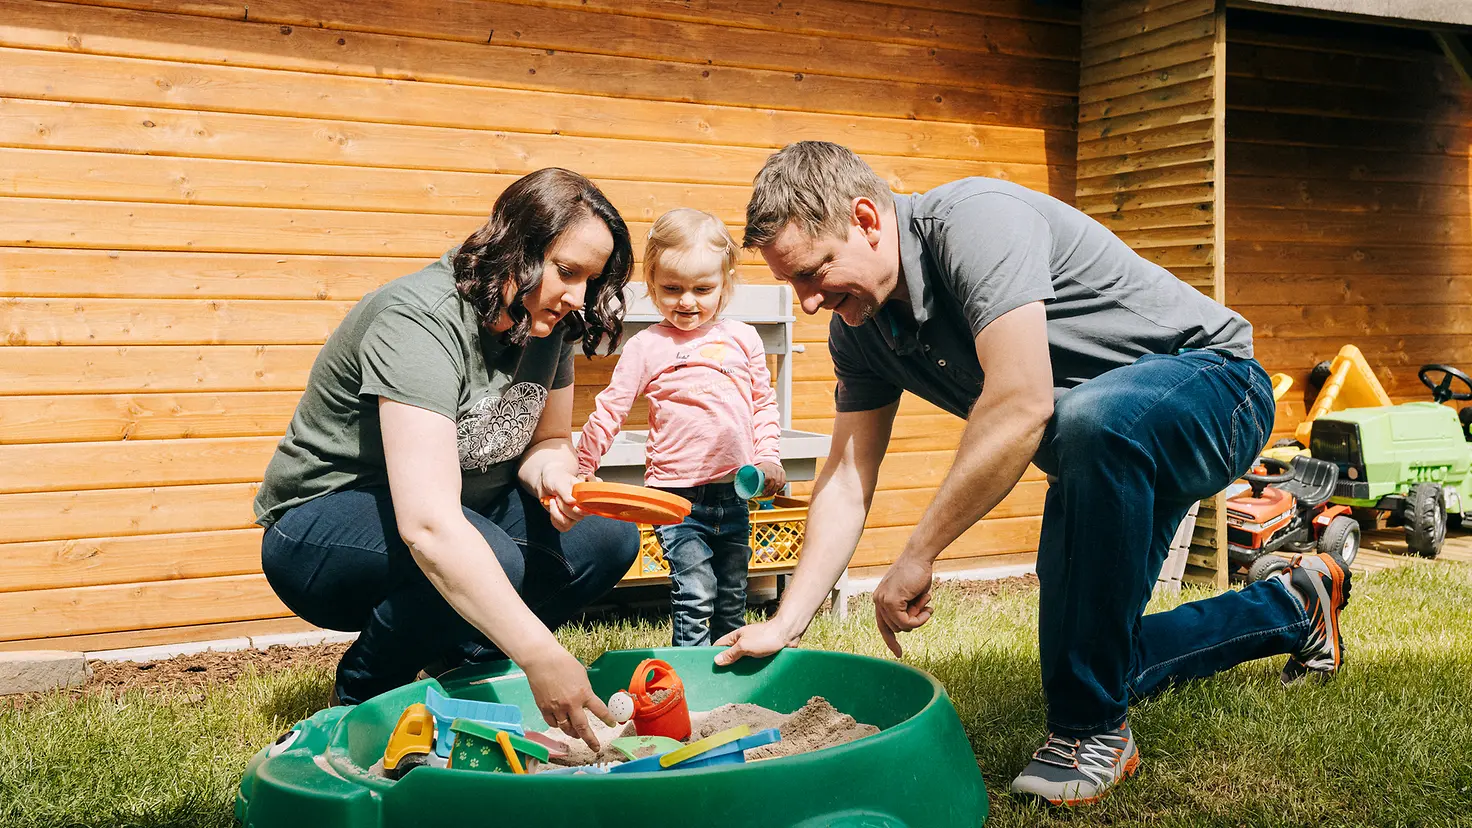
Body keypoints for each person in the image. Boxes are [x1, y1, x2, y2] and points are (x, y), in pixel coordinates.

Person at [712, 142, 1352, 805]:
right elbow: (846, 477)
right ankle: (1298, 605)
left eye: (813, 274)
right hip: (1102, 449)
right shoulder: (861, 329)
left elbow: (1022, 404)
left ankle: (1093, 733)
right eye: (793, 284)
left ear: (869, 220)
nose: (808, 302)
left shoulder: (975, 223)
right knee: (1098, 657)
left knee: (1089, 433)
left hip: (1216, 388)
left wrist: (918, 554)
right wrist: (786, 621)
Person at [255, 168, 640, 750]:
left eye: (591, 279)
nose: (580, 297)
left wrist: (558, 477)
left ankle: (464, 669)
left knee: (608, 539)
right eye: (567, 272)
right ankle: (362, 697)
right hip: (319, 526)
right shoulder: (421, 320)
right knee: (489, 554)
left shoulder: (546, 323)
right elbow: (429, 524)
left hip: (460, 513)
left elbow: (546, 441)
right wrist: (540, 650)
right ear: (517, 248)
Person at [575, 208, 786, 647]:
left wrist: (769, 456)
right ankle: (688, 676)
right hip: (675, 497)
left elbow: (762, 405)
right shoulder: (648, 346)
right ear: (652, 283)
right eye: (672, 289)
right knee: (695, 593)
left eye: (702, 289)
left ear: (726, 282)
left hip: (735, 491)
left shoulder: (743, 339)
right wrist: (582, 467)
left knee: (732, 594)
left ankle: (732, 669)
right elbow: (610, 409)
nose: (687, 301)